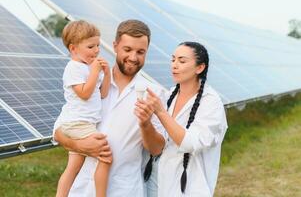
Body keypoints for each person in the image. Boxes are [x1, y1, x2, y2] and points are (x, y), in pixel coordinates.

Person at [54, 19, 167, 197]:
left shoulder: (154, 93)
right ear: (115, 46)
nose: (133, 57)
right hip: (82, 189)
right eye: (127, 49)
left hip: (125, 190)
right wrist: (80, 145)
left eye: (141, 52)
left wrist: (146, 125)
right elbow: (58, 132)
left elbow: (157, 149)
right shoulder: (89, 80)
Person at [136, 42, 228, 196]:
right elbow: (157, 148)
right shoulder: (169, 95)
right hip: (156, 183)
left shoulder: (211, 103)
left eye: (182, 61)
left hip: (189, 187)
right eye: (173, 60)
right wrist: (145, 124)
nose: (174, 65)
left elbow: (191, 143)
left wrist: (161, 112)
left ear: (200, 68)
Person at [53, 20, 112, 197]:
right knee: (106, 155)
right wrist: (95, 71)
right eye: (90, 46)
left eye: (98, 46)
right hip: (77, 123)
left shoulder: (90, 68)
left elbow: (103, 93)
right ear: (73, 49)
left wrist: (106, 73)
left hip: (84, 123)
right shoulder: (74, 68)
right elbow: (84, 94)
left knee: (73, 168)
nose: (96, 50)